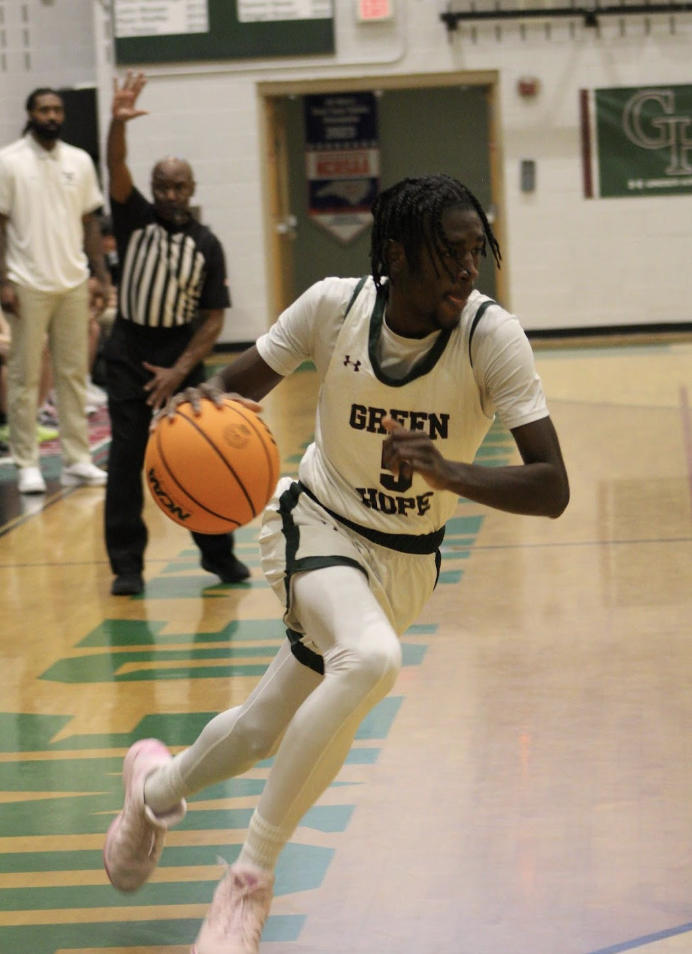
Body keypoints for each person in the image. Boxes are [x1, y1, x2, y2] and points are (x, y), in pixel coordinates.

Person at [103, 174, 570, 952]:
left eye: (474, 253)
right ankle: (248, 882)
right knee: (371, 659)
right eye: (448, 253)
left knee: (262, 730)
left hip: (405, 562)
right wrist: (200, 403)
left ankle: (150, 789)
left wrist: (452, 472)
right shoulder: (333, 306)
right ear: (395, 254)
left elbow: (551, 486)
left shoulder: (492, 337)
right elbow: (238, 383)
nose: (466, 270)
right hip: (314, 524)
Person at [103, 72, 250, 596]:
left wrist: (179, 372)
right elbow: (115, 164)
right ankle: (127, 566)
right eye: (162, 185)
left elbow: (212, 318)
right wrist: (117, 123)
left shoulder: (208, 244)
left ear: (192, 190)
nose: (169, 193)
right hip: (127, 352)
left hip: (179, 357)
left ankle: (220, 557)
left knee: (201, 458)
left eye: (178, 186)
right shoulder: (133, 218)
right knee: (124, 460)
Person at [0, 87, 110, 493]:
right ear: (30, 113)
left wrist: (101, 276)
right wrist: (2, 280)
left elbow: (90, 223)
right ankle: (27, 462)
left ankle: (76, 460)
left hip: (73, 281)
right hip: (25, 282)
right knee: (24, 377)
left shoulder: (79, 161)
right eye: (44, 109)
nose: (52, 115)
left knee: (73, 376)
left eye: (57, 109)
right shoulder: (9, 161)